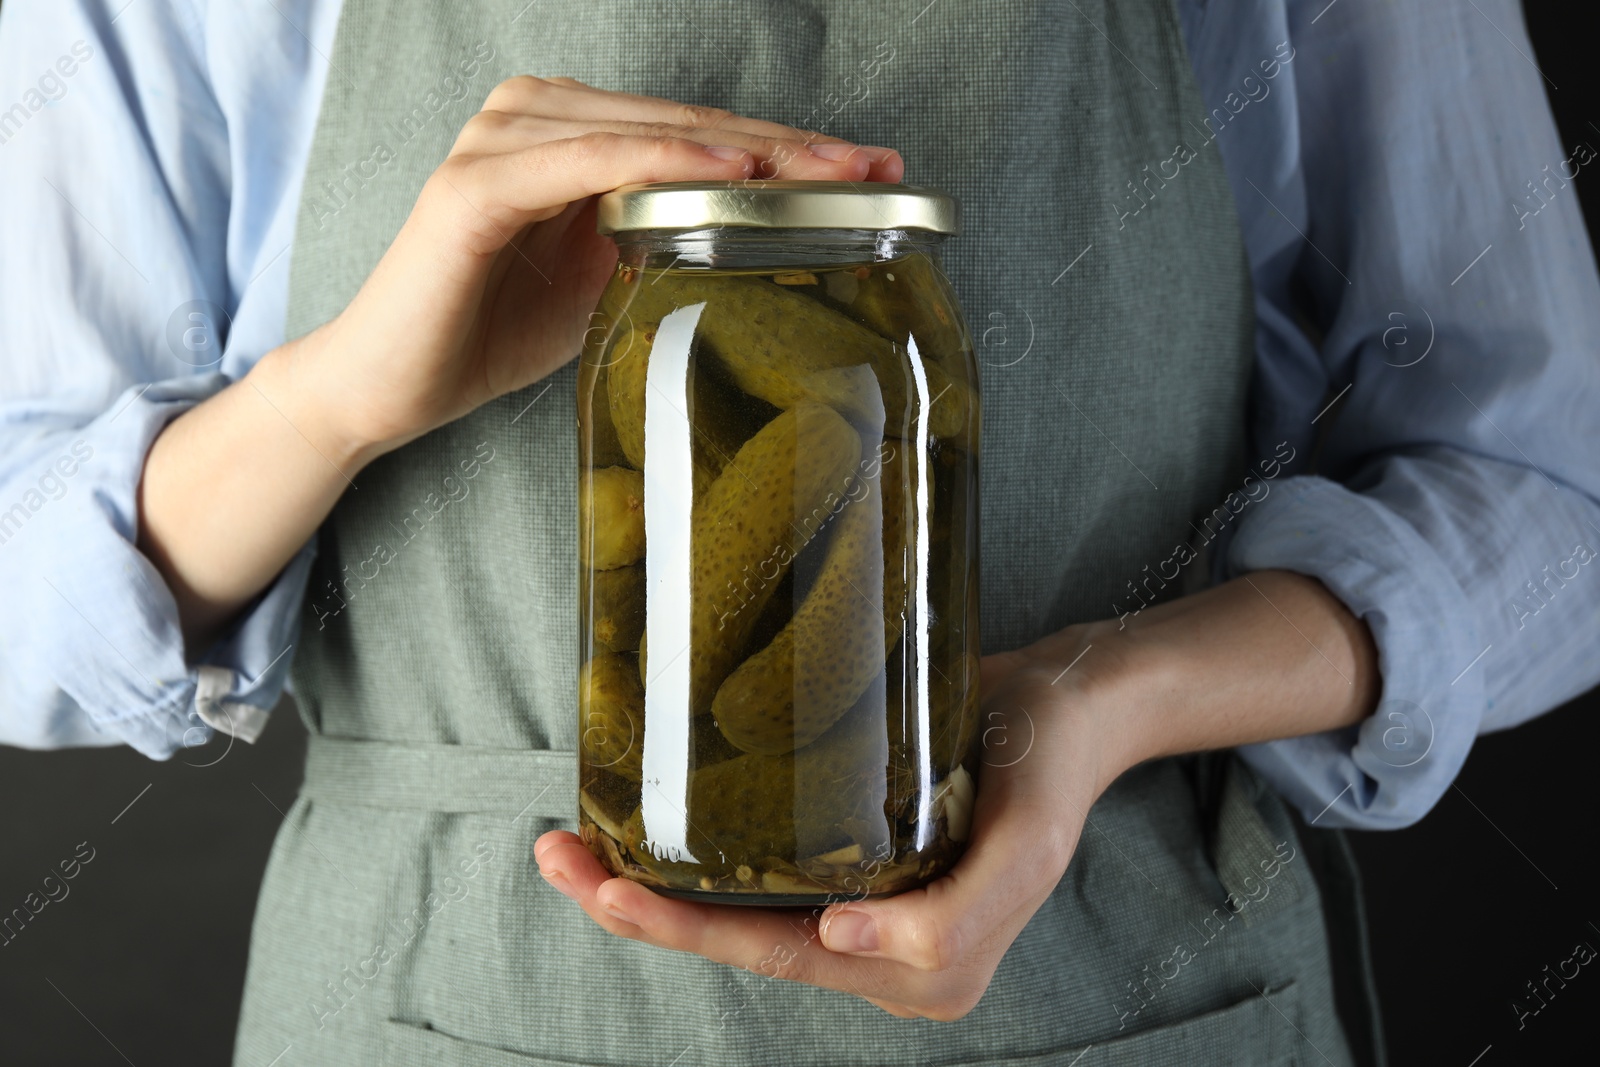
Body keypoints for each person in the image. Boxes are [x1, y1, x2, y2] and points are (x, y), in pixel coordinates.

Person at [2, 0, 1596, 1063]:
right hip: (428, 992)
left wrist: (1114, 697)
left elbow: (1550, 490)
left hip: (1118, 976)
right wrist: (332, 395)